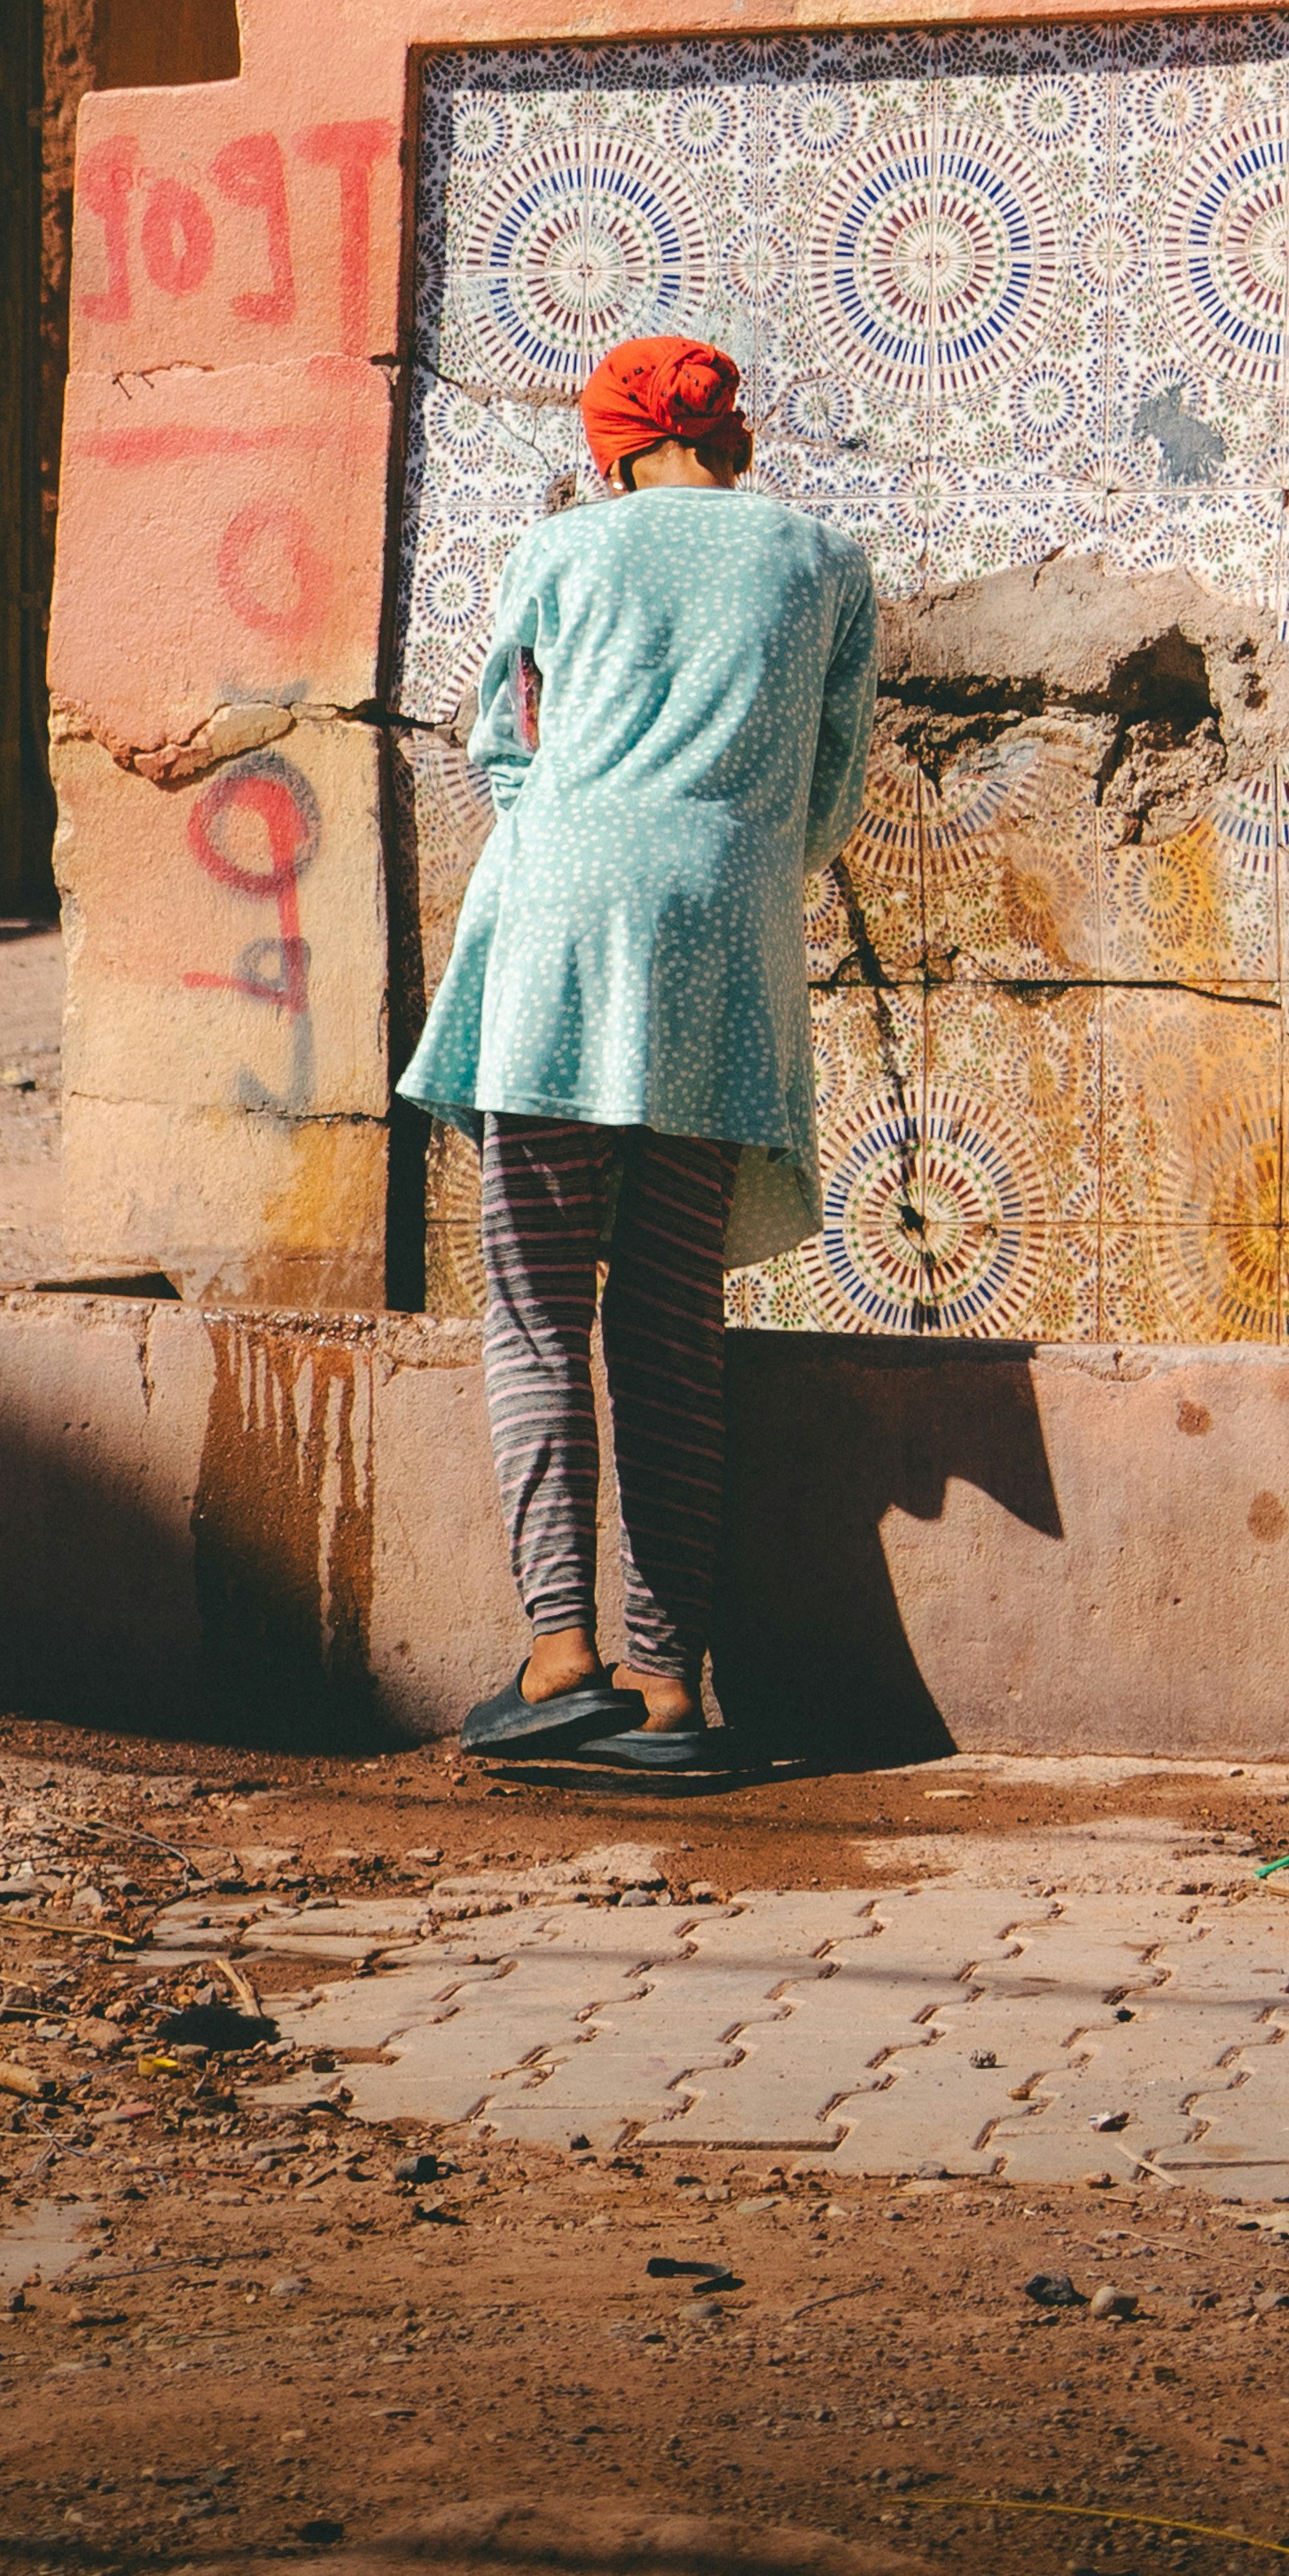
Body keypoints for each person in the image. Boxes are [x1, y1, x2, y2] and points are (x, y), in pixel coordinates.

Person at [399, 334, 877, 1770]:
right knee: (669, 1319)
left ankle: (562, 1656)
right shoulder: (823, 564)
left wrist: (580, 827)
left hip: (554, 941)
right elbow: (831, 793)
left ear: (611, 448)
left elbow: (499, 746)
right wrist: (720, 862)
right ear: (732, 438)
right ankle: (669, 1688)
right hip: (723, 954)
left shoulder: (562, 551)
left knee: (536, 1300)